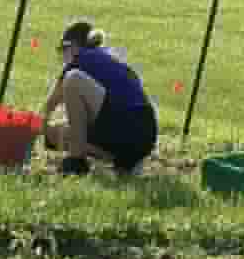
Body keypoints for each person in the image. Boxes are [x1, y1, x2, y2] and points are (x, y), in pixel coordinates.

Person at [40, 21, 157, 178]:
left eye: (62, 50)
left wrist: (36, 126)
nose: (62, 57)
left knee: (73, 79)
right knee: (62, 132)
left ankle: (75, 161)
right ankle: (124, 164)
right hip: (145, 135)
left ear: (72, 46)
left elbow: (50, 105)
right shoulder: (112, 59)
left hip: (128, 124)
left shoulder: (81, 58)